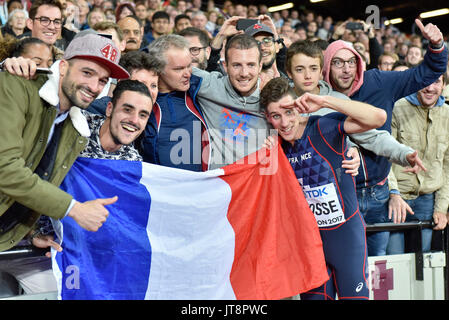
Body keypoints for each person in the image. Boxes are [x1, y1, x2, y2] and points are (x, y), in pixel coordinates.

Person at [0, 33, 129, 295]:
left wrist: (31, 230)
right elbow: (6, 170)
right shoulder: (17, 84)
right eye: (87, 73)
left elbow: (41, 174)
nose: (94, 86)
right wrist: (74, 209)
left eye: (103, 80)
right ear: (62, 67)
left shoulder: (75, 128)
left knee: (65, 290)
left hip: (11, 238)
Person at [321, 19, 448, 256]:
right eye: (338, 63)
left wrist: (437, 46)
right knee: (344, 262)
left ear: (359, 63)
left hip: (380, 194)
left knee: (380, 269)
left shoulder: (379, 82)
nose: (346, 69)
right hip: (340, 194)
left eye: (351, 62)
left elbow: (428, 72)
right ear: (327, 67)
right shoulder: (319, 99)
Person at [260, 76, 386, 300]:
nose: (285, 123)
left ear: (300, 106)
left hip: (345, 238)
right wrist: (266, 156)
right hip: (308, 246)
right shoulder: (273, 147)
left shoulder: (323, 127)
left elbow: (378, 117)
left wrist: (326, 102)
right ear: (267, 118)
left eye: (289, 112)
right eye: (276, 116)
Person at [286, 40, 424, 177]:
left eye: (313, 68)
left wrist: (404, 153)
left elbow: (372, 136)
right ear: (289, 73)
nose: (308, 75)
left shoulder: (337, 100)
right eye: (299, 69)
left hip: (332, 186)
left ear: (322, 70)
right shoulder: (280, 101)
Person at [387, 74, 449, 254]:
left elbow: (446, 166)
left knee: (423, 264)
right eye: (426, 82)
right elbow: (385, 156)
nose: (430, 88)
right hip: (397, 198)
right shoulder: (398, 107)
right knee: (395, 258)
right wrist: (393, 193)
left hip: (428, 200)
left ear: (443, 85)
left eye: (436, 82)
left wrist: (441, 208)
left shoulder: (447, 114)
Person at [191, 33, 270, 169]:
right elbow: (167, 60)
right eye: (236, 65)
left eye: (251, 65)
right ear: (225, 66)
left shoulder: (271, 99)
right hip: (220, 185)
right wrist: (221, 34)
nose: (244, 73)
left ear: (260, 66)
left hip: (257, 184)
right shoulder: (209, 85)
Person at [144, 34, 210, 172]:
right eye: (179, 69)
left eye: (189, 66)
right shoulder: (143, 100)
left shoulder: (198, 91)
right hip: (157, 189)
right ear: (158, 69)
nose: (188, 74)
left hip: (200, 188)